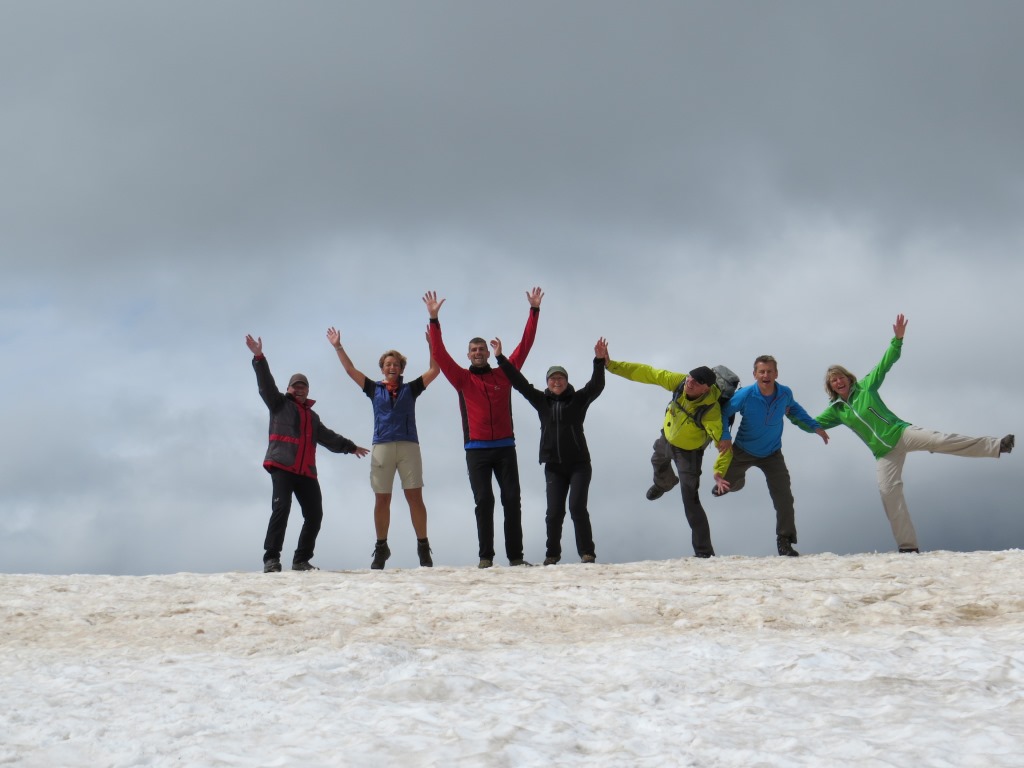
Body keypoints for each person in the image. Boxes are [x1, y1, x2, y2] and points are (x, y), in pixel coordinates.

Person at [814, 314, 1014, 553]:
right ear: (831, 387)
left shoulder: (866, 387)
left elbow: (885, 364)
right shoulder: (836, 411)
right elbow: (810, 423)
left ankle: (997, 445)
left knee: (939, 440)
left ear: (848, 378)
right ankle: (908, 548)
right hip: (884, 454)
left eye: (841, 377)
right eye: (833, 381)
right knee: (888, 494)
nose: (838, 382)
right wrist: (786, 410)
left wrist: (897, 340)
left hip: (901, 433)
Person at [423, 288, 544, 568]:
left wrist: (534, 311)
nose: (478, 353)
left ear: (489, 353)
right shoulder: (461, 379)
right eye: (474, 350)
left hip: (505, 447)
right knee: (484, 501)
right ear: (468, 355)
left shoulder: (504, 373)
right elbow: (439, 354)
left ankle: (516, 557)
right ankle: (485, 557)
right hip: (476, 450)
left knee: (512, 500)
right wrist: (434, 319)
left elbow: (525, 345)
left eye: (481, 349)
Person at [245, 334, 369, 573]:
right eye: (296, 386)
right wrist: (259, 357)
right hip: (282, 465)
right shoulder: (278, 404)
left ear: (308, 391)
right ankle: (271, 558)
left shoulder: (312, 417)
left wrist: (350, 447)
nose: (299, 390)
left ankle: (301, 559)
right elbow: (265, 384)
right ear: (289, 389)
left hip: (306, 472)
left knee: (315, 514)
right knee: (282, 509)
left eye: (303, 387)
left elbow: (328, 437)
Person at [326, 327, 439, 569]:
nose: (392, 367)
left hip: (408, 446)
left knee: (415, 497)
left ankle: (423, 546)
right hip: (382, 446)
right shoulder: (373, 389)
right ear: (382, 368)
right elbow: (350, 370)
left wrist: (433, 345)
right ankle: (381, 547)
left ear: (401, 368)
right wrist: (338, 346)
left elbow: (434, 370)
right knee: (381, 499)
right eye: (388, 364)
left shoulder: (411, 388)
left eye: (396, 364)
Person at [493, 336, 607, 566]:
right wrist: (500, 359)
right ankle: (552, 555)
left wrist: (598, 361)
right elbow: (519, 383)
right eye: (553, 378)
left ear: (567, 381)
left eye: (561, 378)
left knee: (577, 508)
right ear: (547, 382)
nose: (557, 381)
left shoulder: (578, 399)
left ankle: (587, 553)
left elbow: (596, 386)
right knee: (554, 513)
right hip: (553, 466)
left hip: (579, 465)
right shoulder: (541, 401)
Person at [604, 349, 730, 558]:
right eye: (690, 376)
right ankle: (665, 483)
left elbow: (724, 446)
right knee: (657, 460)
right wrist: (611, 365)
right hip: (667, 439)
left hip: (689, 454)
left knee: (690, 500)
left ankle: (705, 553)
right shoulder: (679, 382)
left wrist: (719, 473)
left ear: (706, 389)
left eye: (697, 382)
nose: (690, 382)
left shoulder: (711, 412)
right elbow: (648, 373)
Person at [711, 355, 830, 557]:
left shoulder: (784, 393)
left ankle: (785, 541)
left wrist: (815, 426)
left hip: (772, 453)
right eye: (761, 372)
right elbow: (723, 412)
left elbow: (795, 408)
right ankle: (738, 481)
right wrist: (725, 436)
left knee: (784, 498)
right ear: (755, 374)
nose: (765, 375)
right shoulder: (746, 394)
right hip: (742, 450)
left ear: (776, 374)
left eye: (769, 371)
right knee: (729, 483)